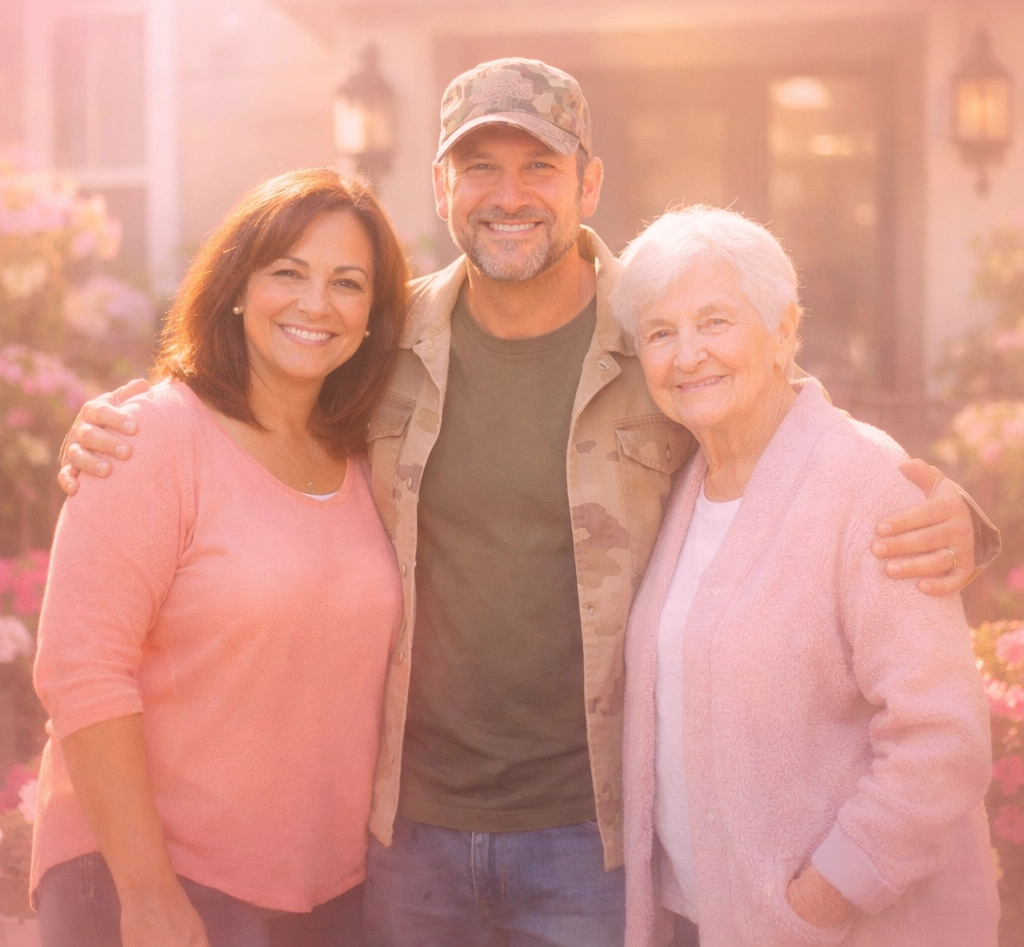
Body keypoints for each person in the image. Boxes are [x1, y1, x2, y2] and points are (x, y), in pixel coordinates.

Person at [58, 60, 997, 947]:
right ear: (441, 188)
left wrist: (957, 514)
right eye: (480, 168)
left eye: (538, 167)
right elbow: (262, 411)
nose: (509, 195)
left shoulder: (655, 330)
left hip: (589, 840)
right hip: (402, 834)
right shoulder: (378, 343)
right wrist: (129, 419)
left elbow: (776, 410)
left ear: (588, 185)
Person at [33, 169, 408, 947]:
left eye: (347, 283)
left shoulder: (367, 458)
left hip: (325, 892)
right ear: (237, 286)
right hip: (154, 884)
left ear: (373, 316)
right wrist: (147, 892)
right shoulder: (152, 439)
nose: (316, 304)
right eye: (288, 273)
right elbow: (80, 666)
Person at [614, 206, 999, 947]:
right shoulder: (685, 480)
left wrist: (825, 897)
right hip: (703, 919)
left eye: (716, 322)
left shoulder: (866, 481)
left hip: (831, 928)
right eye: (661, 333)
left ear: (784, 330)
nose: (688, 355)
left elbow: (942, 739)